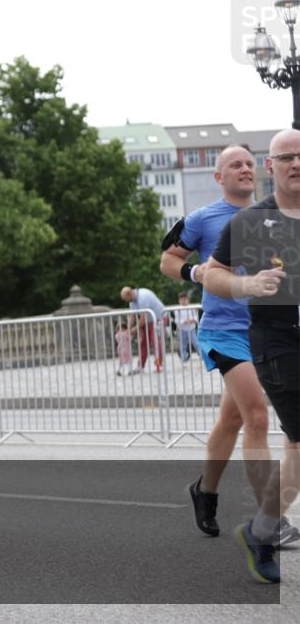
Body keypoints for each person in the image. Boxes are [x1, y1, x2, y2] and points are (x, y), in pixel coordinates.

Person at [159, 144, 297, 544]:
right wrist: (195, 271)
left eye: (250, 164)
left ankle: (205, 489)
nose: (244, 170)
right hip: (224, 330)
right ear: (218, 177)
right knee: (257, 416)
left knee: (233, 419)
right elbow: (168, 260)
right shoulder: (203, 219)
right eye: (234, 165)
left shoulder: (275, 214)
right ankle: (270, 522)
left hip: (268, 329)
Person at [204, 129, 300, 584]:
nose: (296, 163)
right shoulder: (250, 222)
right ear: (271, 166)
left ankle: (262, 530)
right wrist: (245, 284)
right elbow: (213, 276)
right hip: (280, 343)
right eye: (286, 157)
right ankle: (262, 532)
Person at [119, 286, 166, 372]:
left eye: (126, 299)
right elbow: (133, 316)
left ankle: (159, 365)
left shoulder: (143, 297)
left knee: (155, 342)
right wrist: (129, 330)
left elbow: (143, 318)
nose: (125, 301)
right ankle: (140, 366)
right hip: (149, 320)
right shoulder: (132, 301)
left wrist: (135, 329)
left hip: (159, 318)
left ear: (129, 294)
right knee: (143, 343)